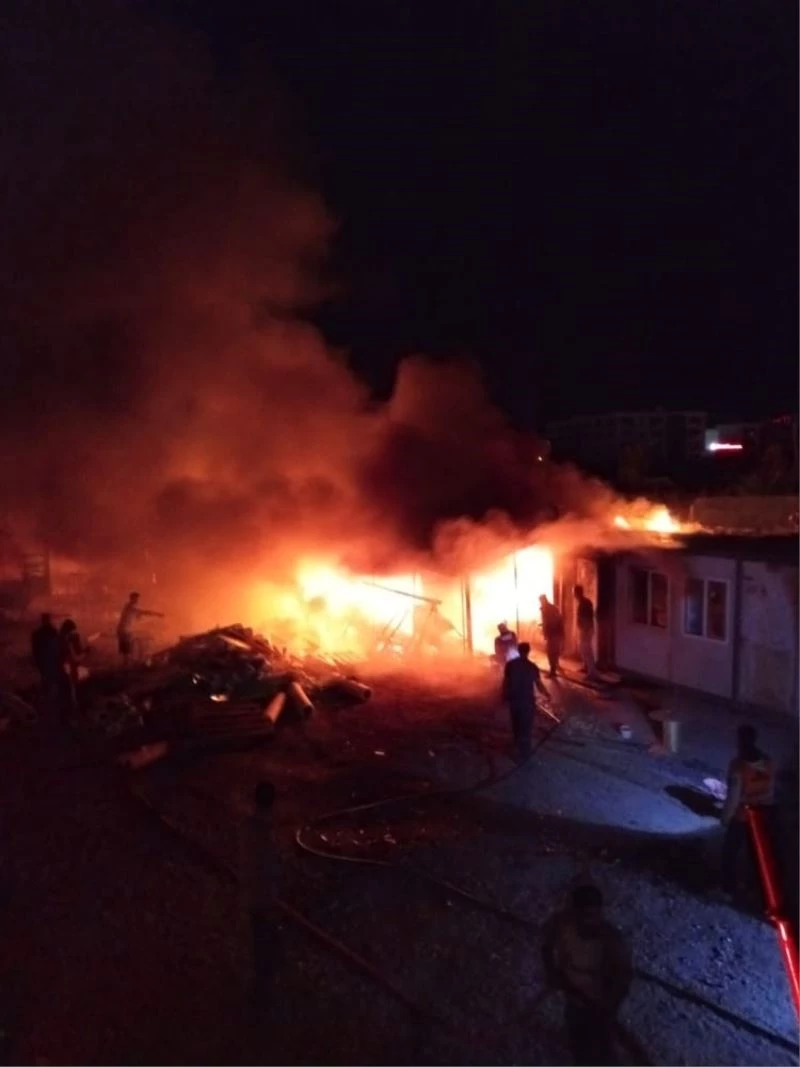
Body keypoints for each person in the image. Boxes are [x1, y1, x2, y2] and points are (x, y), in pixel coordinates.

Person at [542, 884, 632, 1066]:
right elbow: (547, 945)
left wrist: (607, 1007)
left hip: (598, 1002)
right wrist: (552, 971)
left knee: (600, 1045)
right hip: (573, 997)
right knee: (578, 1040)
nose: (590, 922)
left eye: (594, 915)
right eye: (584, 915)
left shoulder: (611, 942)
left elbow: (622, 980)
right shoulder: (562, 926)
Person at [719, 724, 775, 899]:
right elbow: (771, 791)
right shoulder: (768, 762)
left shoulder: (738, 766)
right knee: (757, 853)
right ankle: (758, 887)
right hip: (762, 814)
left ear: (740, 741)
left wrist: (725, 818)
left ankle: (728, 889)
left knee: (730, 852)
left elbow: (733, 798)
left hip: (742, 816)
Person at [240, 780, 281, 1000]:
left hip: (252, 894)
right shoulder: (266, 833)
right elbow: (269, 868)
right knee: (265, 942)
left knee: (260, 941)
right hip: (264, 898)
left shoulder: (248, 828)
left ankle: (262, 983)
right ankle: (263, 989)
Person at [501, 641, 549, 761]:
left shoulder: (510, 665)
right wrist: (547, 694)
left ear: (518, 651)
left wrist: (503, 695)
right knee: (526, 726)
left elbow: (505, 682)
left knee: (516, 724)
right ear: (528, 651)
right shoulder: (532, 667)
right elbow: (539, 684)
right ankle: (526, 751)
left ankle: (517, 747)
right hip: (527, 701)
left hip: (514, 700)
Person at [117, 592, 164, 665]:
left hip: (124, 630)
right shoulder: (130, 607)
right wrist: (157, 614)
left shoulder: (130, 607)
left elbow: (138, 617)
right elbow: (144, 612)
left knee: (127, 650)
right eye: (136, 599)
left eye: (137, 599)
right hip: (124, 630)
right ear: (132, 599)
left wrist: (142, 617)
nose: (137, 601)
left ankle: (126, 665)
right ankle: (127, 665)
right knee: (127, 651)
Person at [31, 613, 61, 704]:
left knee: (46, 678)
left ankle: (46, 697)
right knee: (49, 678)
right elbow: (57, 646)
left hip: (44, 659)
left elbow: (35, 648)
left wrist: (36, 660)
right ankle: (49, 698)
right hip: (49, 659)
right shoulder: (53, 632)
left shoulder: (38, 633)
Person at [58, 619, 84, 723]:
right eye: (73, 631)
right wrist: (85, 653)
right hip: (67, 670)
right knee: (71, 694)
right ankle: (72, 717)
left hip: (60, 670)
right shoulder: (66, 642)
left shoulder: (60, 639)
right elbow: (75, 658)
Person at [573, 585, 598, 680]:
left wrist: (585, 629)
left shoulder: (584, 603)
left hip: (586, 629)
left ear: (577, 593)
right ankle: (586, 666)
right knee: (583, 649)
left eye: (574, 592)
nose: (573, 595)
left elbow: (587, 617)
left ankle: (592, 673)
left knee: (587, 650)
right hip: (585, 629)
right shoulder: (583, 602)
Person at [539, 594, 565, 679]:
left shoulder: (546, 609)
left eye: (540, 601)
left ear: (543, 600)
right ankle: (555, 666)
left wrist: (545, 631)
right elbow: (558, 620)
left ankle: (552, 671)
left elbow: (548, 622)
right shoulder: (553, 608)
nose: (540, 603)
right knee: (555, 651)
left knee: (550, 652)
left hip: (552, 633)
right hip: (556, 633)